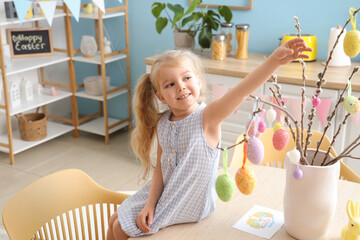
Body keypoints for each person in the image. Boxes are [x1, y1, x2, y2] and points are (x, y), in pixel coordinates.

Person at [107, 38, 312, 240]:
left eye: (186, 78)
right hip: (167, 193)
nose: (180, 86)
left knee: (121, 230)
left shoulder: (208, 117)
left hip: (190, 202)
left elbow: (244, 89)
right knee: (115, 220)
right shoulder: (163, 124)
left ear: (198, 81)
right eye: (170, 84)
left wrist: (275, 60)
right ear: (161, 96)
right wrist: (150, 204)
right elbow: (160, 169)